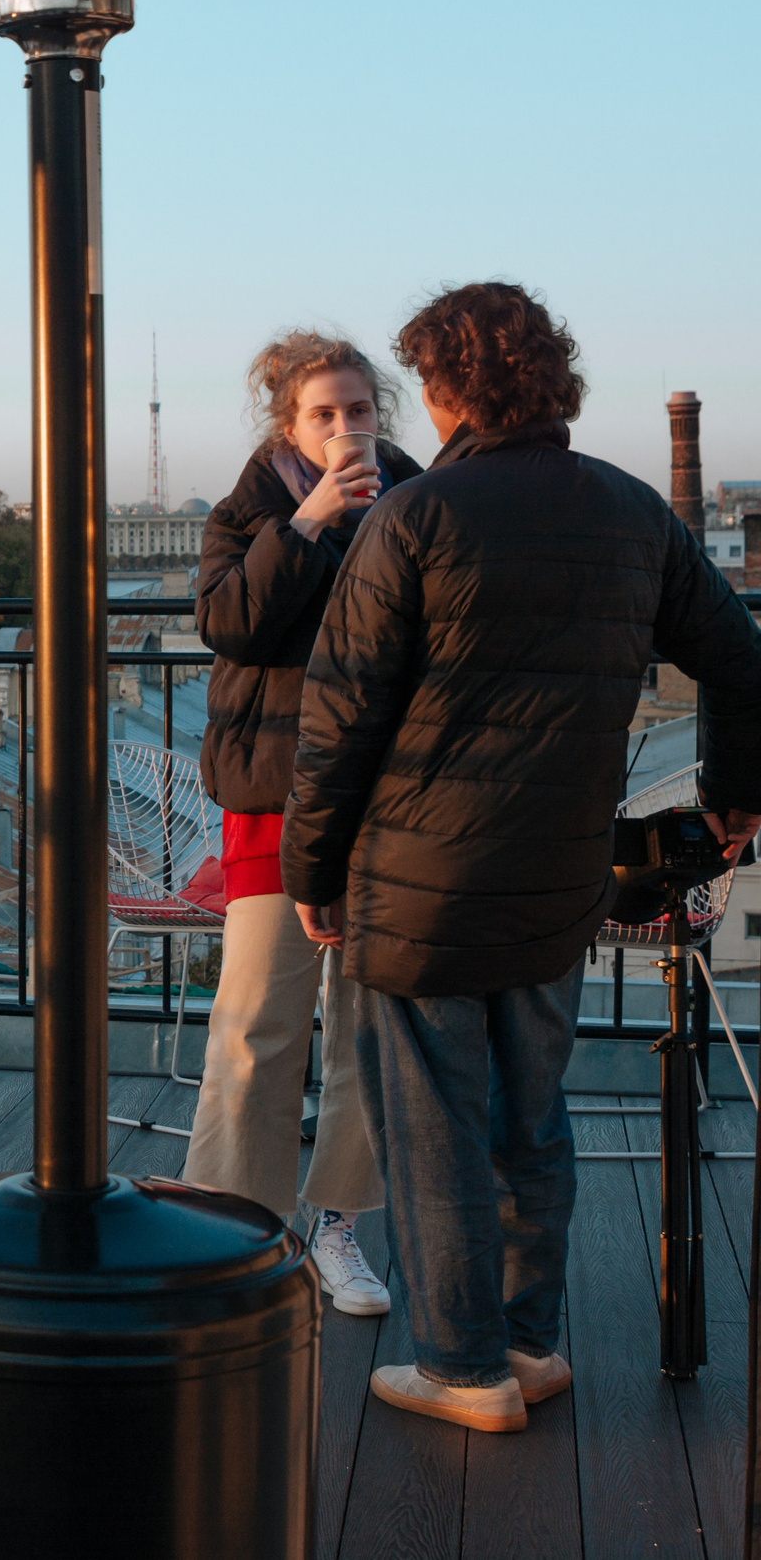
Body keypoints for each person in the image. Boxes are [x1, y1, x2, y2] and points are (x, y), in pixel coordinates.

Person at [282, 281, 761, 1433]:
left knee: (433, 1124)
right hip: (559, 872)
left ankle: (459, 1368)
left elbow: (338, 720)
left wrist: (310, 871)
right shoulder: (633, 512)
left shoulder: (414, 518)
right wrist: (731, 808)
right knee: (531, 1115)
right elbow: (743, 663)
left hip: (417, 885)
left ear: (445, 391)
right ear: (554, 379)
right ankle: (531, 1342)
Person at [185, 331, 421, 1318]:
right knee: (255, 1021)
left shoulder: (417, 501)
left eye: (358, 411)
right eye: (322, 414)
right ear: (288, 424)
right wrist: (312, 522)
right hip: (275, 793)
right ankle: (231, 1231)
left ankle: (336, 1224)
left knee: (368, 1023)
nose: (344, 428)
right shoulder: (247, 513)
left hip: (386, 797)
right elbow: (231, 625)